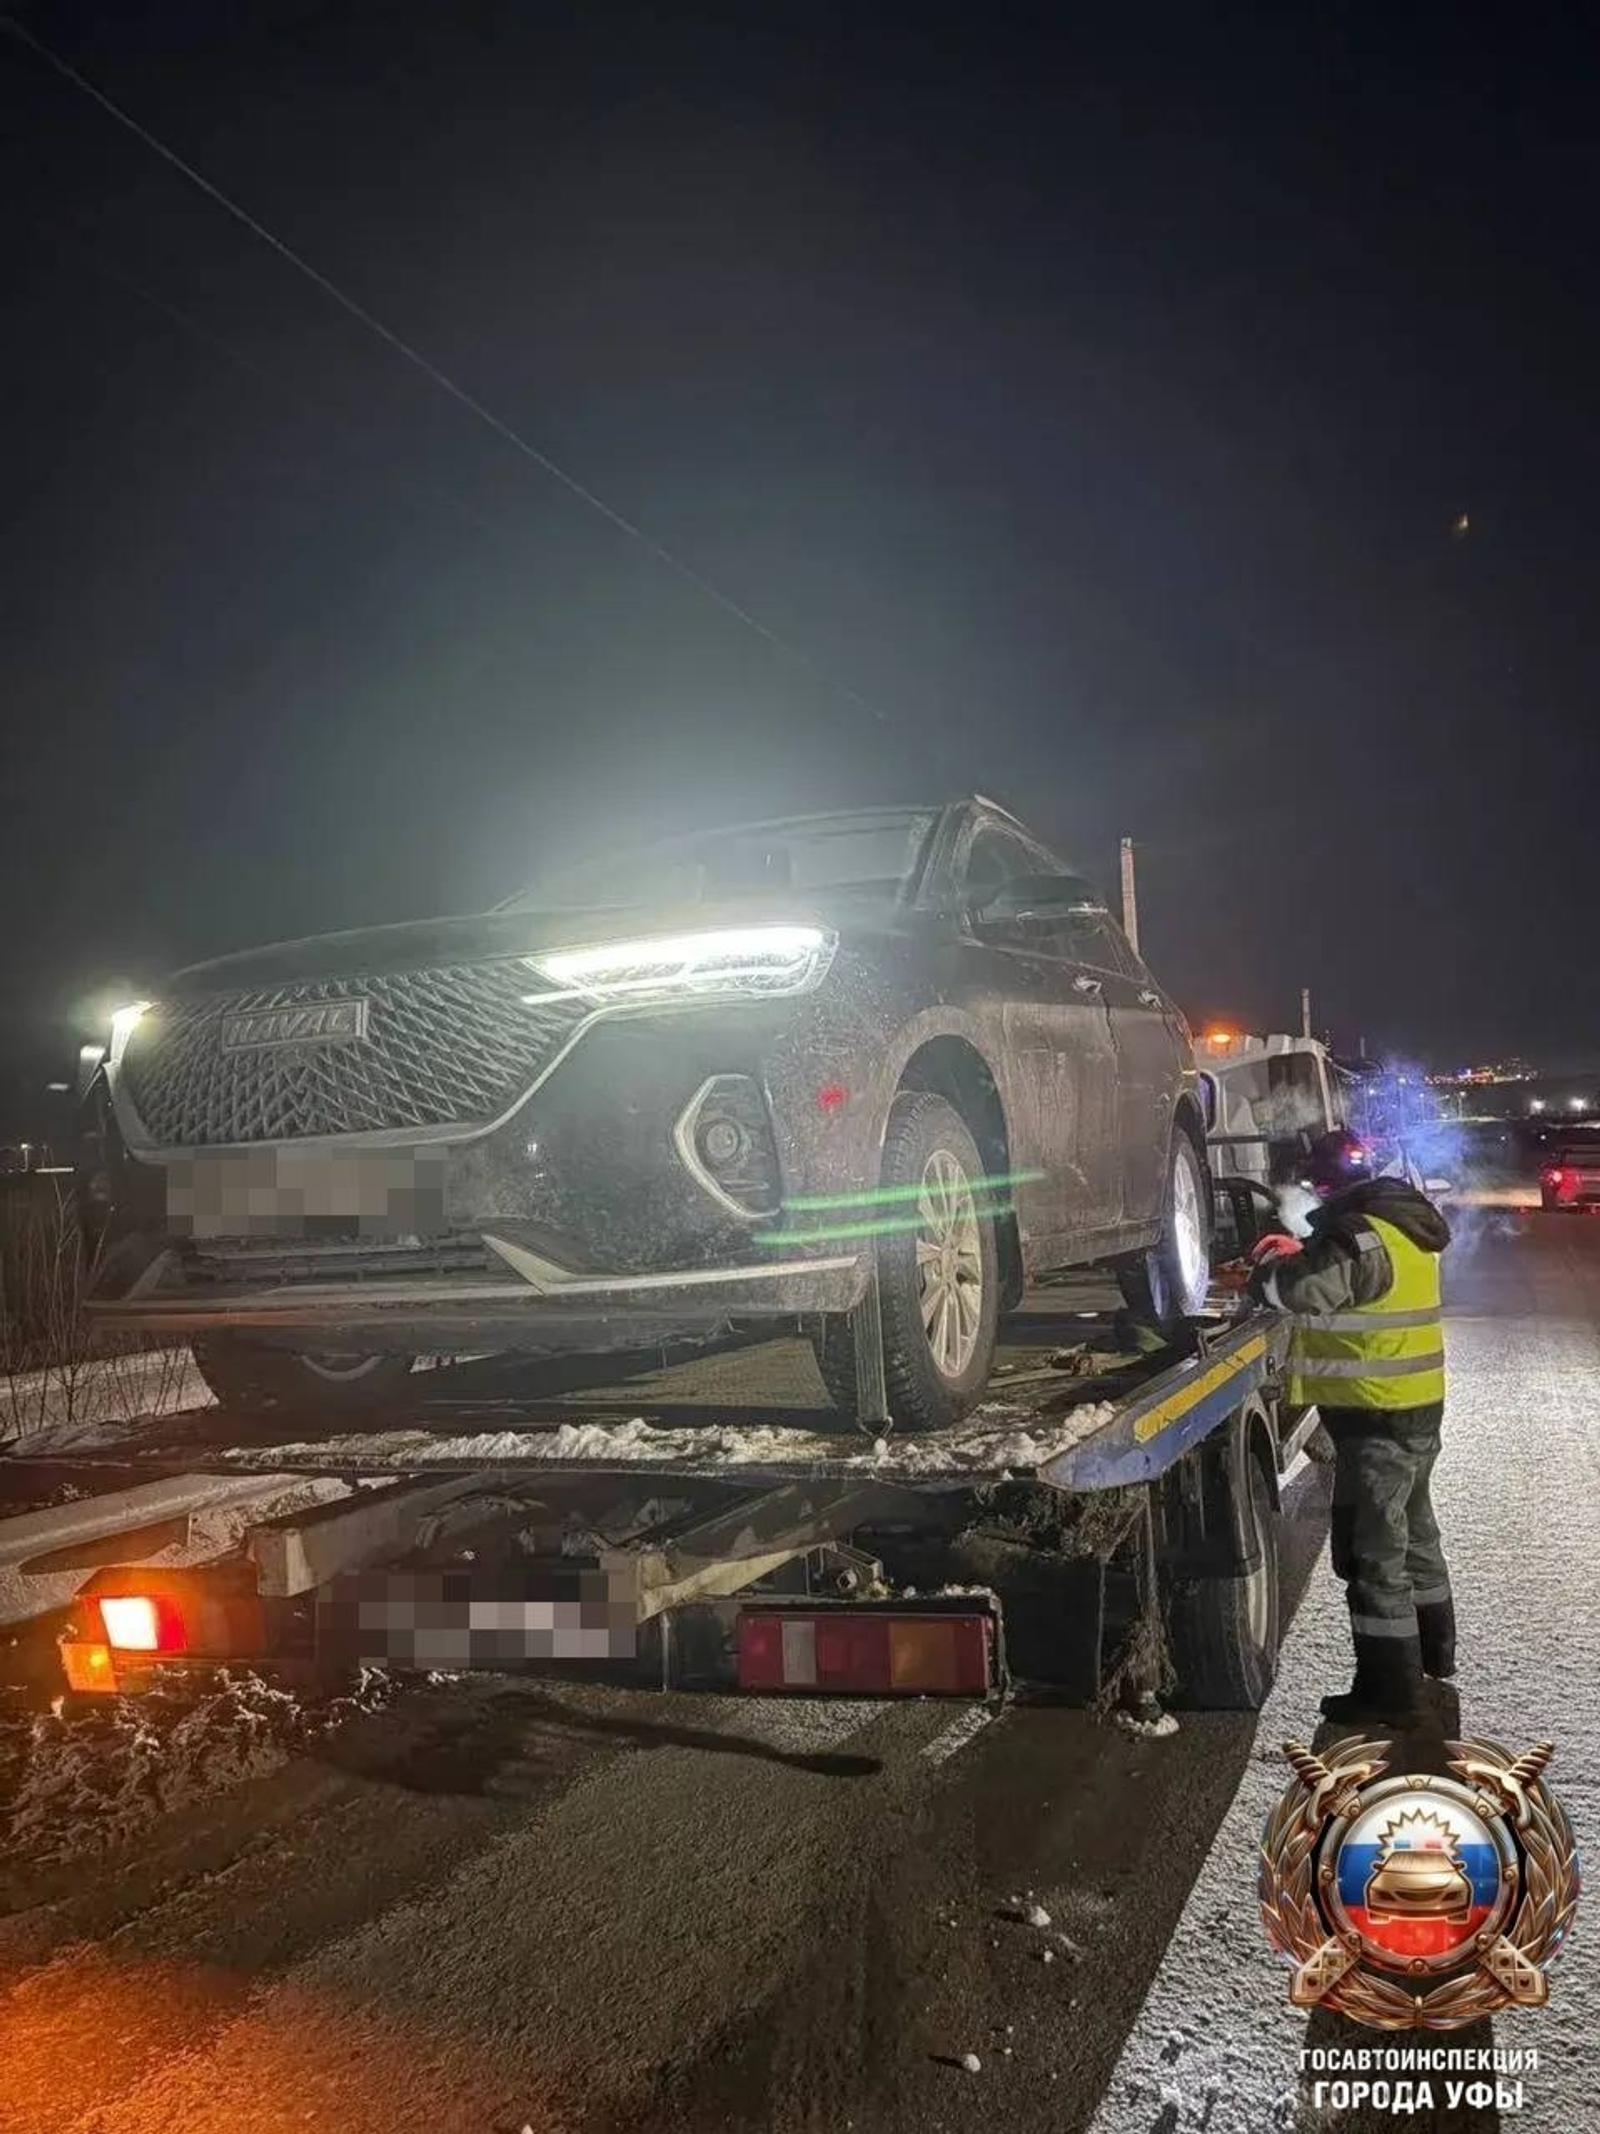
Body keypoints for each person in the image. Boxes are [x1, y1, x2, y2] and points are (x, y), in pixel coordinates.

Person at [1249, 1128, 1453, 1724]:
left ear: (1329, 1182)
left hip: (1375, 1415)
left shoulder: (1358, 1234)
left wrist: (1267, 1268)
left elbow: (1301, 1290)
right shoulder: (1402, 1227)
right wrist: (1300, 1247)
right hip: (1414, 1407)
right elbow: (1358, 1282)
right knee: (1415, 1535)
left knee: (1373, 1558)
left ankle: (1391, 1695)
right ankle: (1435, 1653)